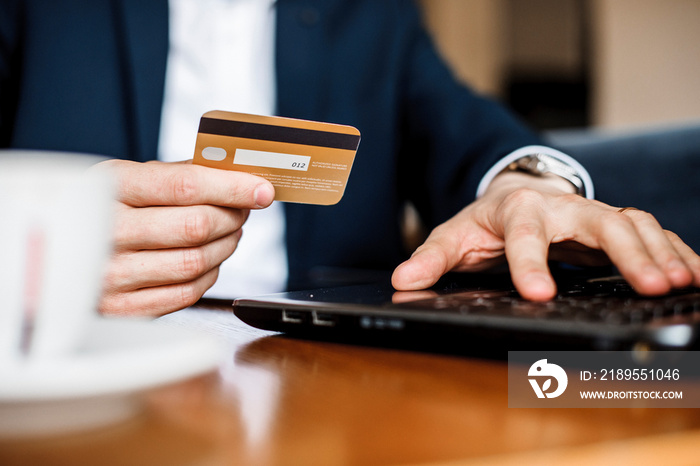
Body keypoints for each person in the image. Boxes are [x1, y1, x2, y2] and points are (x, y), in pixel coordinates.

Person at [1, 0, 698, 316]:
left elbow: (468, 130)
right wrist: (24, 244)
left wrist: (530, 187)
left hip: (314, 369)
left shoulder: (375, 15)